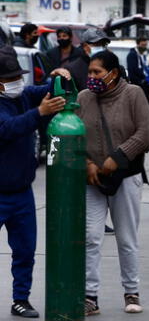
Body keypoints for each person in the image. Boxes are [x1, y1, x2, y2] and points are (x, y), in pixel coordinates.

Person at [77, 50, 149, 316]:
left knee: (126, 238)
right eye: (90, 72)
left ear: (113, 73)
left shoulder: (133, 94)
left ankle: (131, 291)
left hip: (126, 176)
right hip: (92, 177)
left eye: (97, 72)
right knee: (90, 237)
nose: (92, 78)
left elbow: (145, 133)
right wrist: (87, 163)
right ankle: (89, 296)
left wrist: (118, 157)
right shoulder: (83, 98)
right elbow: (77, 133)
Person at [0, 46, 65, 319]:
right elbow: (7, 129)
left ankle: (21, 300)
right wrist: (40, 112)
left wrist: (60, 77)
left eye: (18, 76)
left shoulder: (23, 95)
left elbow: (45, 90)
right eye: (10, 77)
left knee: (25, 251)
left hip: (22, 192)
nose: (17, 81)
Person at [66, 28, 111, 92]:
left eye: (103, 44)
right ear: (85, 46)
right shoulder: (72, 69)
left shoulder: (114, 67)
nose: (101, 47)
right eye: (96, 44)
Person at [126, 36, 149, 105]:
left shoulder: (143, 54)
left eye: (145, 45)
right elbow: (132, 71)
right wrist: (141, 81)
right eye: (142, 45)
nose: (144, 47)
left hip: (145, 83)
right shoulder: (132, 55)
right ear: (138, 44)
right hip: (138, 84)